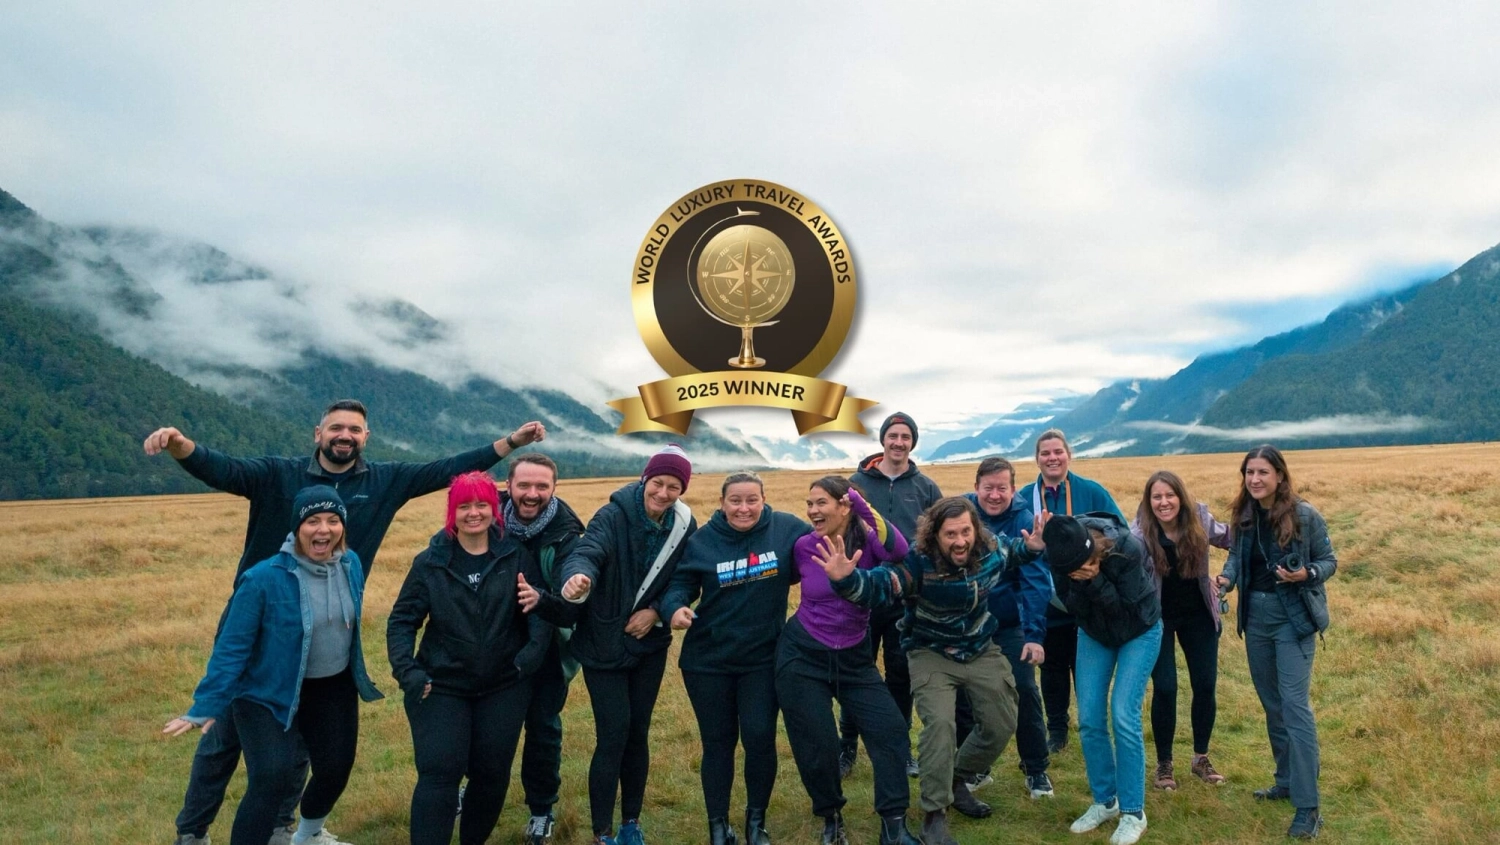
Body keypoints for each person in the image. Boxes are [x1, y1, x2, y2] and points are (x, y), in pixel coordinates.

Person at [145, 399, 545, 845]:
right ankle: (193, 831)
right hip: (260, 627)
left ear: (366, 437)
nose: (345, 436)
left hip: (325, 635)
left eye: (355, 429)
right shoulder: (278, 475)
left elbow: (445, 469)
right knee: (225, 739)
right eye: (336, 428)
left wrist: (510, 443)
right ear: (318, 434)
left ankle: (284, 828)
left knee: (306, 746)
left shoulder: (381, 488)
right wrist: (181, 447)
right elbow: (223, 470)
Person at [162, 487, 383, 845]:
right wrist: (207, 705)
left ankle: (306, 837)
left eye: (333, 520)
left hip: (331, 686)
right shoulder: (263, 579)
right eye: (312, 521)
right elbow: (232, 647)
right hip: (266, 691)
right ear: (297, 527)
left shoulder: (350, 564)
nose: (323, 529)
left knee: (335, 770)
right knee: (271, 777)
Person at [820, 497, 1045, 845]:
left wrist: (1031, 548)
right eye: (950, 534)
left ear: (976, 530)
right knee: (940, 726)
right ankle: (934, 814)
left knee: (1001, 722)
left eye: (966, 531)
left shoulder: (989, 550)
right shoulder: (918, 562)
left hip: (979, 647)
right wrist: (846, 581)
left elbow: (1013, 552)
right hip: (930, 651)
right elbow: (881, 585)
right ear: (935, 535)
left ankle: (956, 779)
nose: (960, 541)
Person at [387, 471, 572, 845]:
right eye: (464, 506)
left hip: (503, 685)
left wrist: (526, 661)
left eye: (482, 504)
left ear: (494, 509)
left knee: (491, 774)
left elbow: (536, 611)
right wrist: (408, 671)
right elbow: (402, 620)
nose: (474, 513)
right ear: (452, 512)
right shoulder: (431, 562)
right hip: (440, 685)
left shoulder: (515, 556)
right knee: (440, 772)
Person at [555, 445, 697, 845]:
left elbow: (685, 578)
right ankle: (602, 832)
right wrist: (577, 577)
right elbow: (588, 552)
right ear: (644, 479)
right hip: (603, 641)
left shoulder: (684, 525)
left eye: (673, 487)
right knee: (613, 733)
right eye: (658, 483)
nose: (663, 493)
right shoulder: (612, 515)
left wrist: (655, 611)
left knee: (638, 732)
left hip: (649, 644)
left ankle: (630, 823)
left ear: (682, 490)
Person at [663, 471, 812, 845]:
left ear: (763, 499)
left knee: (760, 737)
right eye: (735, 501)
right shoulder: (702, 542)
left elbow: (821, 547)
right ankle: (718, 826)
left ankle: (755, 823)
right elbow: (679, 585)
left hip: (762, 660)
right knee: (718, 743)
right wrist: (675, 608)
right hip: (707, 662)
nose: (744, 508)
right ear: (722, 503)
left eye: (751, 500)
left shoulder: (787, 529)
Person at [776, 477, 920, 845]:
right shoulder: (805, 546)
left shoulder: (869, 542)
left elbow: (900, 549)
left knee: (890, 731)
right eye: (809, 503)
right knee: (818, 742)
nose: (812, 510)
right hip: (803, 654)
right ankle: (831, 817)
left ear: (845, 506)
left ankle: (893, 825)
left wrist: (861, 504)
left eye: (821, 502)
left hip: (854, 655)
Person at [1216, 446, 1336, 839]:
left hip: (1293, 618)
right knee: (1273, 705)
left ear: (1280, 475)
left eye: (1262, 472)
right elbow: (1236, 557)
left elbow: (1329, 561)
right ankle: (1285, 781)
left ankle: (1308, 807)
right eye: (1249, 472)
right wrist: (1227, 579)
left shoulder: (1304, 515)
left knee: (1295, 707)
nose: (1254, 479)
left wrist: (1307, 574)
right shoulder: (1245, 515)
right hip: (1256, 618)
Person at [1043, 513, 1162, 845]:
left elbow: (1124, 611)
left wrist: (1093, 581)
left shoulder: (1127, 549)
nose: (1072, 573)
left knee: (1123, 714)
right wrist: (1081, 583)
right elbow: (1072, 607)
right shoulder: (1059, 555)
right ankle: (1106, 801)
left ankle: (1133, 813)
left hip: (1139, 630)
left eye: (1077, 568)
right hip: (1094, 632)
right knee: (1090, 718)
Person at [841, 412, 943, 779]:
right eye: (893, 435)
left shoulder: (926, 488)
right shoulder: (856, 484)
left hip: (905, 597)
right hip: (863, 593)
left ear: (912, 443)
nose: (899, 442)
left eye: (905, 437)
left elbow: (937, 538)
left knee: (901, 675)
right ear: (883, 439)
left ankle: (900, 750)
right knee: (855, 670)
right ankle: (847, 746)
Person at [1016, 428, 1123, 754]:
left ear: (1068, 455)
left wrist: (1096, 559)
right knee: (1052, 667)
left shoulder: (1092, 491)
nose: (1052, 458)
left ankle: (1093, 724)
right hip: (1045, 597)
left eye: (1057, 452)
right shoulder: (1024, 498)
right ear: (1037, 459)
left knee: (1088, 665)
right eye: (1045, 453)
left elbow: (1120, 531)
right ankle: (1057, 730)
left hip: (1087, 594)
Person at [959, 457, 1055, 800]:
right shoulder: (961, 514)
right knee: (962, 695)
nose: (995, 495)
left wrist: (1034, 635)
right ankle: (973, 768)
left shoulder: (1024, 521)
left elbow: (1035, 581)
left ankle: (1036, 769)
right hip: (965, 625)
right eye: (988, 488)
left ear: (1014, 490)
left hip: (1008, 624)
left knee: (1024, 689)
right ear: (976, 488)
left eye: (1002, 488)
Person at [502, 454, 586, 844]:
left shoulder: (567, 535)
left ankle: (541, 810)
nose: (532, 493)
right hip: (492, 644)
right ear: (509, 486)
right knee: (486, 726)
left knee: (542, 729)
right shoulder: (486, 519)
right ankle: (476, 787)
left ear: (554, 488)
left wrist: (546, 599)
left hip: (549, 649)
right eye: (524, 485)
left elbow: (572, 607)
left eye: (542, 486)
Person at [1131, 471, 1232, 791]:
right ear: (1149, 502)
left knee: (1205, 684)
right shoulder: (1140, 532)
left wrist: (1227, 576)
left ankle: (1201, 758)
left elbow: (1233, 539)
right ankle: (1164, 764)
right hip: (1157, 619)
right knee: (1165, 687)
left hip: (1198, 615)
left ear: (1181, 497)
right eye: (1157, 497)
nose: (1164, 502)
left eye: (1169, 495)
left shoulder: (1199, 518)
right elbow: (1125, 563)